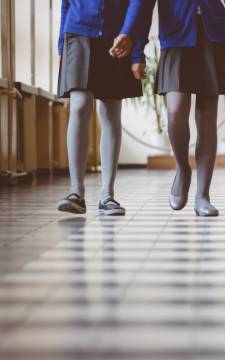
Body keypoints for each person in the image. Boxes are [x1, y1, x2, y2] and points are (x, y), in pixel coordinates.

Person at [140, 0, 225, 217]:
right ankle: (183, 168)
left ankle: (203, 195)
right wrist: (136, 49)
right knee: (175, 112)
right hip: (176, 35)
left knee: (207, 119)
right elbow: (142, 6)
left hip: (213, 34)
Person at [56, 0, 147, 216]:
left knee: (110, 111)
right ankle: (76, 192)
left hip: (118, 35)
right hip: (77, 32)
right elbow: (65, 4)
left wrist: (135, 48)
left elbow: (140, 4)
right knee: (80, 105)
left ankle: (107, 195)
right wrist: (62, 46)